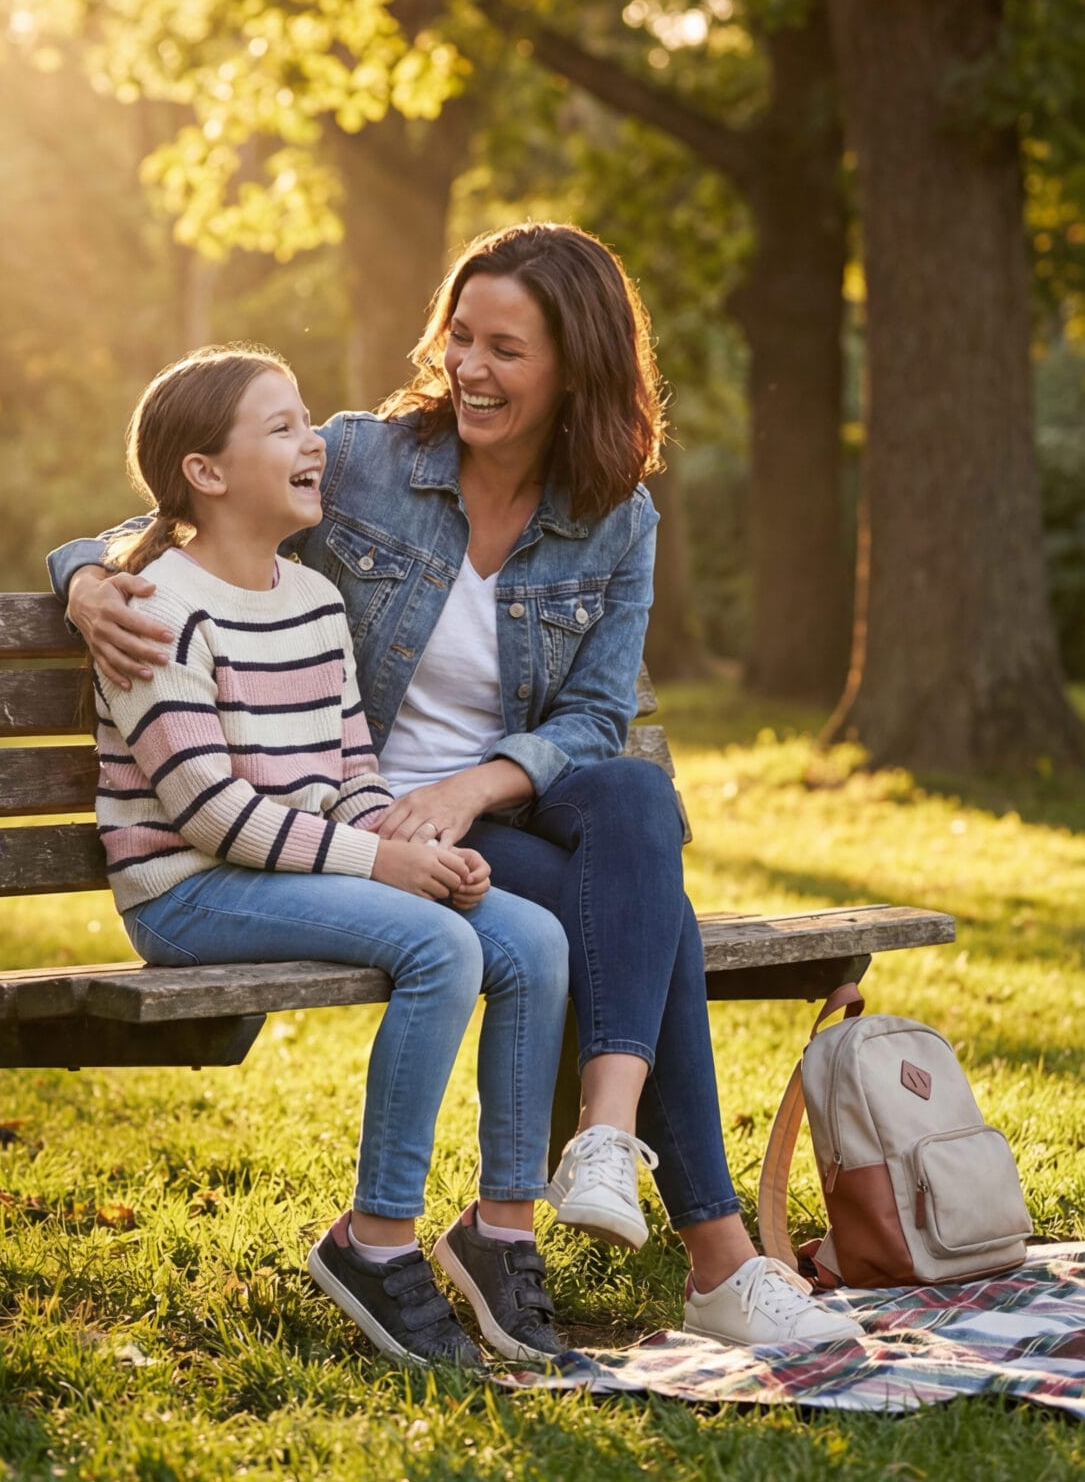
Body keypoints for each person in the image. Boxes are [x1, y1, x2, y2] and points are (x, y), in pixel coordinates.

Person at [54, 222, 863, 1352]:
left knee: (632, 798)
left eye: (506, 349)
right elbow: (175, 505)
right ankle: (711, 1254)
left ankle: (603, 1142)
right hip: (360, 822)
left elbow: (593, 716)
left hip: (497, 809)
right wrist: (87, 579)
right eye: (460, 337)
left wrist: (477, 787)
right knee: (646, 915)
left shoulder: (615, 511)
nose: (470, 367)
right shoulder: (363, 460)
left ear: (574, 366)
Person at [87, 339, 575, 1372]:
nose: (316, 441)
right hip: (192, 890)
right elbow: (210, 813)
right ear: (205, 473)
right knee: (441, 948)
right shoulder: (152, 611)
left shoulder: (312, 601)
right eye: (281, 427)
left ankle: (500, 1232)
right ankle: (378, 1239)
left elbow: (352, 760)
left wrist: (413, 837)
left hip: (302, 863)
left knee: (528, 936)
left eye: (307, 420)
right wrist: (375, 865)